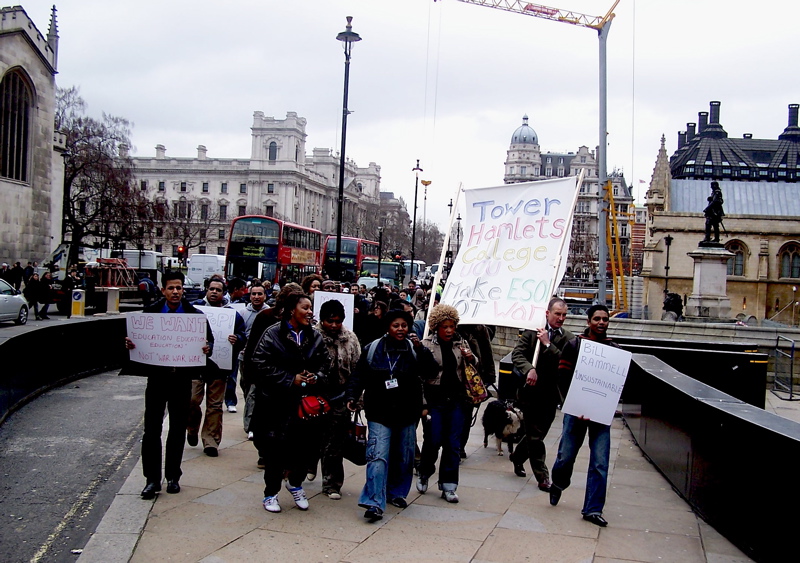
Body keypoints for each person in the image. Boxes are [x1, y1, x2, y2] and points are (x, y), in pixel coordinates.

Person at [124, 270, 213, 499]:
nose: (175, 292)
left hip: (181, 380)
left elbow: (209, 342)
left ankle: (173, 476)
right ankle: (152, 480)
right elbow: (136, 341)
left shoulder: (196, 316)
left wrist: (207, 348)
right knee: (151, 431)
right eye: (171, 288)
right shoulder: (150, 314)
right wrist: (130, 344)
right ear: (163, 290)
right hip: (157, 379)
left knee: (177, 430)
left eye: (179, 288)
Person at [346, 308, 433, 522]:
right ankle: (374, 501)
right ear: (387, 327)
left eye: (404, 325)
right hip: (379, 411)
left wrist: (421, 349)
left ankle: (396, 492)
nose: (400, 329)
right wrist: (352, 396)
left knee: (404, 456)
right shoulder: (373, 348)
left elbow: (431, 371)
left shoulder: (414, 349)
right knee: (377, 455)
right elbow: (359, 375)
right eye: (396, 325)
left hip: (407, 412)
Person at [250, 293, 331, 513]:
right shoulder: (273, 333)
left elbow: (325, 363)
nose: (309, 312)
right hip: (276, 403)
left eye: (310, 308)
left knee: (307, 449)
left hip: (306, 405)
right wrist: (289, 378)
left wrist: (316, 377)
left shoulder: (314, 336)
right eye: (305, 308)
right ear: (292, 310)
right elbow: (259, 362)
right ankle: (271, 493)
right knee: (275, 450)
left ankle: (295, 483)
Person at [549, 304, 619, 527]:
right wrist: (577, 406)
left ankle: (593, 509)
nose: (601, 323)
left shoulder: (615, 350)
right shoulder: (574, 345)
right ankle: (558, 483)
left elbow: (616, 385)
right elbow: (563, 378)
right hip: (576, 412)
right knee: (565, 457)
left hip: (600, 416)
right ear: (588, 322)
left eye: (605, 319)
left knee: (600, 462)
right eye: (597, 319)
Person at [509, 298, 573, 490]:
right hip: (530, 393)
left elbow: (565, 362)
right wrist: (529, 369)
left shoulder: (568, 338)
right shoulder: (532, 332)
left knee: (538, 434)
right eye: (557, 314)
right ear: (547, 313)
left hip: (551, 394)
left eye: (564, 315)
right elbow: (517, 354)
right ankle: (542, 476)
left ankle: (517, 456)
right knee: (535, 436)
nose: (561, 318)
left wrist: (547, 344)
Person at [418, 304, 479, 504]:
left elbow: (473, 364)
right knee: (433, 440)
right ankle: (425, 472)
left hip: (457, 399)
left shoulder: (461, 343)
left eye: (452, 326)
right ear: (436, 326)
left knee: (453, 444)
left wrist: (471, 357)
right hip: (434, 399)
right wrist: (423, 404)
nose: (449, 330)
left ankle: (449, 484)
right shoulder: (426, 345)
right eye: (445, 326)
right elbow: (419, 377)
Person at [189, 276, 246, 457]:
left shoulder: (232, 315)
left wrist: (237, 339)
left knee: (215, 405)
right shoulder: (194, 309)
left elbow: (242, 336)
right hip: (196, 365)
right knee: (192, 400)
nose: (214, 292)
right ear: (206, 290)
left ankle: (211, 441)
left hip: (220, 365)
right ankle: (192, 427)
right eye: (212, 289)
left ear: (223, 293)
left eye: (218, 290)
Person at [315, 299, 362, 499]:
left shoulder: (350, 339)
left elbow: (358, 369)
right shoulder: (313, 336)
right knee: (313, 438)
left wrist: (356, 397)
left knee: (335, 442)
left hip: (341, 396)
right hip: (315, 396)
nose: (334, 325)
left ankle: (332, 484)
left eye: (338, 321)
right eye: (330, 321)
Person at [238, 283, 268, 439]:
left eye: (259, 294)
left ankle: (251, 425)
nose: (256, 297)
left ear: (265, 295)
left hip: (262, 360)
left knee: (254, 391)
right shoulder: (242, 313)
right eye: (254, 294)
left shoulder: (269, 313)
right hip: (244, 358)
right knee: (246, 387)